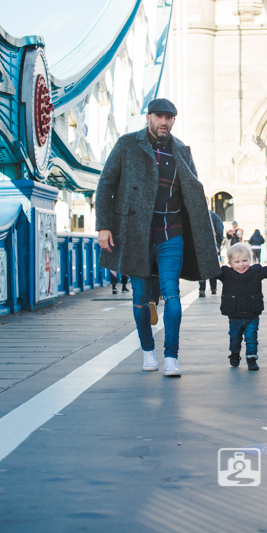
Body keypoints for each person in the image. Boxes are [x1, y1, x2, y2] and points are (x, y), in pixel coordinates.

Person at [96, 98, 220, 377]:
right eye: (159, 116)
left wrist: (204, 233)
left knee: (172, 293)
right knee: (140, 297)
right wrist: (103, 226)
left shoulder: (181, 151)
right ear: (148, 117)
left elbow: (194, 192)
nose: (165, 122)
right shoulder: (127, 145)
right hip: (136, 233)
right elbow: (106, 185)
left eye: (170, 117)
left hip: (171, 232)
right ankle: (148, 351)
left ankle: (171, 357)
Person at [217, 243, 267, 371]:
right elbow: (210, 271)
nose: (241, 265)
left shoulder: (256, 271)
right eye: (237, 262)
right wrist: (211, 254)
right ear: (230, 263)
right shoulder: (226, 273)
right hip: (234, 315)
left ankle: (251, 359)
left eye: (244, 261)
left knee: (251, 337)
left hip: (252, 314)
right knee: (234, 337)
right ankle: (235, 353)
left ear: (250, 260)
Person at [199, 202, 224, 297]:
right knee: (213, 267)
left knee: (202, 268)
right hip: (213, 246)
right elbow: (219, 232)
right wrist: (218, 244)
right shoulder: (215, 217)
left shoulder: (198, 216)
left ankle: (202, 290)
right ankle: (213, 288)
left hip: (200, 245)